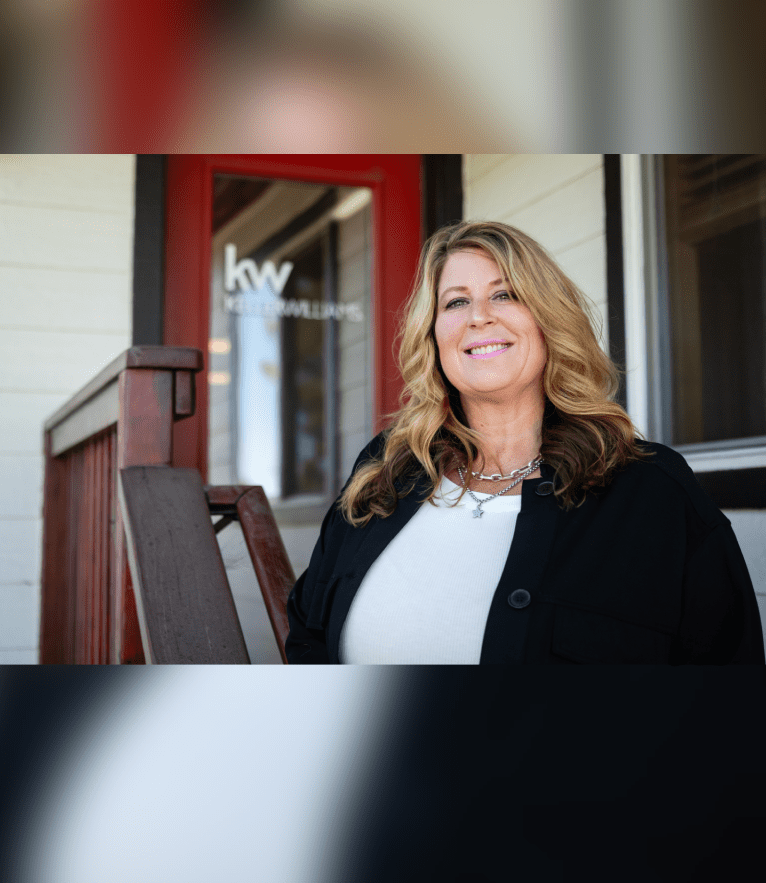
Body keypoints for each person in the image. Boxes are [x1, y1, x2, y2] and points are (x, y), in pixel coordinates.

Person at [285, 221, 765, 664]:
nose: (478, 318)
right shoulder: (385, 470)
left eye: (505, 295)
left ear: (548, 320)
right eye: (455, 302)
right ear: (432, 335)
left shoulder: (651, 491)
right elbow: (309, 631)